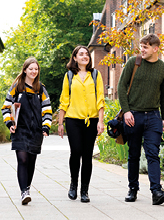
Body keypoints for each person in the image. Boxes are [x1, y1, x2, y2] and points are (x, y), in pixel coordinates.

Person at [117, 33, 164, 205]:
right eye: (141, 46)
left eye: (145, 47)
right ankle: (133, 189)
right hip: (133, 115)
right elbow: (121, 86)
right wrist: (126, 111)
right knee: (133, 154)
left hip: (153, 116)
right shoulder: (134, 63)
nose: (142, 50)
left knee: (152, 154)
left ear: (155, 48)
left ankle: (156, 191)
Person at [1, 57, 52, 205]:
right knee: (22, 159)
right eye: (31, 69)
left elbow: (47, 108)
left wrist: (46, 126)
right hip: (20, 130)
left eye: (36, 69)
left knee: (31, 161)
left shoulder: (40, 88)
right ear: (25, 70)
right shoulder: (17, 87)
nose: (33, 71)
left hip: (36, 131)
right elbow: (6, 107)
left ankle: (27, 187)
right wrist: (9, 122)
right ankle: (24, 191)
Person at [58, 45, 104, 203]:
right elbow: (64, 100)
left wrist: (101, 121)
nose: (85, 56)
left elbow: (100, 100)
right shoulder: (69, 76)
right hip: (73, 120)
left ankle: (84, 190)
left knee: (87, 155)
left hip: (91, 120)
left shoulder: (96, 75)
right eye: (81, 54)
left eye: (87, 54)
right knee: (76, 152)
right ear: (75, 58)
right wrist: (60, 123)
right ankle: (73, 185)